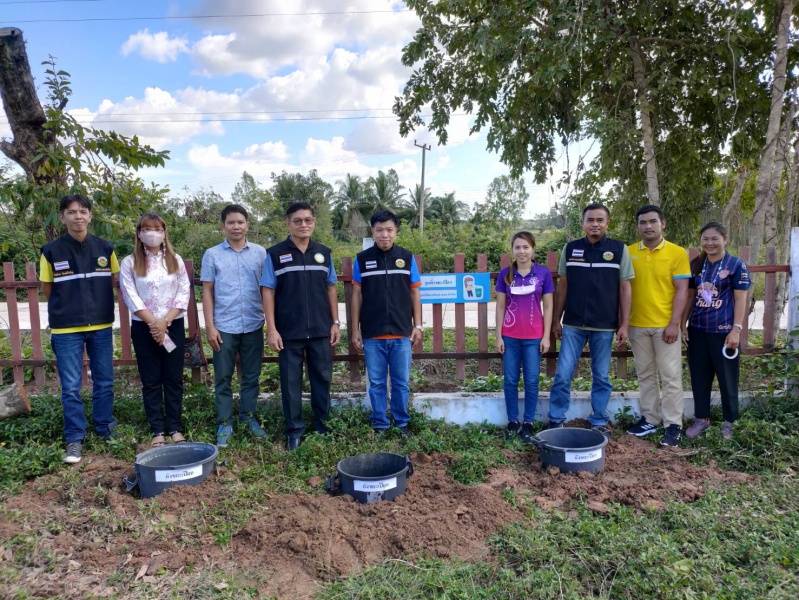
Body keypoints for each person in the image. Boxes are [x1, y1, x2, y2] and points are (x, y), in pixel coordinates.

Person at [39, 194, 120, 464]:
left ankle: (105, 427)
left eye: (83, 211)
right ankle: (75, 437)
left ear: (90, 216)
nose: (78, 217)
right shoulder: (50, 251)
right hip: (66, 329)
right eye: (72, 212)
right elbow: (48, 289)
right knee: (71, 387)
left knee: (105, 381)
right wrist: (69, 309)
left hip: (101, 325)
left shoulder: (106, 248)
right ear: (62, 217)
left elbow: (114, 280)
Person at [548, 203, 634, 438]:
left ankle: (598, 420)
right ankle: (556, 419)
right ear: (583, 223)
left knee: (601, 376)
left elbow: (625, 288)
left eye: (600, 220)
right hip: (573, 324)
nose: (595, 224)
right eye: (590, 220)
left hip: (604, 326)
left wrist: (624, 324)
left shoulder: (619, 250)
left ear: (607, 223)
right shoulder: (571, 248)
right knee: (563, 374)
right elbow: (563, 286)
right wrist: (557, 319)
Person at [262, 202, 340, 451]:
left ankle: (323, 425)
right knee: (290, 383)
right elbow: (268, 290)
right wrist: (272, 329)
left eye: (308, 220)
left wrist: (335, 322)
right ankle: (294, 431)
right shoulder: (275, 254)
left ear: (314, 222)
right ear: (288, 224)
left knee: (322, 379)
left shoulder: (323, 252)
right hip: (288, 331)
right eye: (297, 221)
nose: (303, 225)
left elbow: (331, 287)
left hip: (320, 329)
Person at [120, 214, 191, 447]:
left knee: (173, 378)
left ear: (164, 232)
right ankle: (157, 430)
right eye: (147, 229)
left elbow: (184, 291)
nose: (153, 234)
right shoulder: (130, 262)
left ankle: (174, 427)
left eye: (158, 229)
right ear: (139, 233)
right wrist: (154, 324)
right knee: (150, 380)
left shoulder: (174, 259)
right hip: (144, 327)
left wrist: (165, 322)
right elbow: (130, 294)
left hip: (173, 324)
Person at [351, 210, 423, 437]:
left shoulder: (406, 258)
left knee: (401, 382)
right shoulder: (362, 259)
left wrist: (418, 325)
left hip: (402, 334)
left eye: (389, 230)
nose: (385, 235)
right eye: (380, 230)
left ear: (396, 231)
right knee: (376, 383)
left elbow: (415, 293)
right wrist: (355, 330)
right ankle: (380, 424)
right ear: (373, 231)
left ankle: (401, 423)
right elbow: (356, 295)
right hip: (372, 334)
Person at [201, 204, 268, 447]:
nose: (236, 226)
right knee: (223, 377)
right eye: (231, 222)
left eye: (240, 222)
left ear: (247, 225)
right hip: (224, 326)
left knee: (251, 376)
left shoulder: (260, 253)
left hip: (253, 323)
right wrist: (210, 326)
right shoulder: (212, 254)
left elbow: (267, 288)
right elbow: (207, 291)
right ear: (223, 226)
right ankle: (224, 422)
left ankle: (249, 417)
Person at [626, 205, 691, 447]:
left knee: (670, 376)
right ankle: (650, 419)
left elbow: (682, 291)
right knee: (645, 375)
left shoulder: (676, 253)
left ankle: (673, 424)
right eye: (643, 222)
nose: (648, 226)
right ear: (638, 226)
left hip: (666, 326)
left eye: (653, 221)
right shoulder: (628, 252)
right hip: (637, 325)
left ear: (663, 224)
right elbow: (623, 289)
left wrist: (675, 324)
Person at [682, 222, 750, 440]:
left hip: (723, 332)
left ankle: (730, 422)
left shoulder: (736, 265)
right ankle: (702, 419)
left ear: (725, 240)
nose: (709, 243)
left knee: (727, 378)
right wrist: (683, 324)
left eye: (714, 239)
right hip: (697, 330)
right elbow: (690, 297)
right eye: (705, 239)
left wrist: (736, 330)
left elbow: (741, 299)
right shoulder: (696, 264)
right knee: (699, 377)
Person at [495, 231, 554, 443]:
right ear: (512, 250)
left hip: (534, 338)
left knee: (531, 381)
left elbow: (548, 307)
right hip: (510, 336)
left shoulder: (543, 274)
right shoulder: (506, 274)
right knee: (510, 380)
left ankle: (528, 423)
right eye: (518, 247)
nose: (522, 251)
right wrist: (498, 336)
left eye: (526, 247)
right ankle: (513, 422)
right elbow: (500, 306)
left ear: (533, 249)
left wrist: (545, 337)